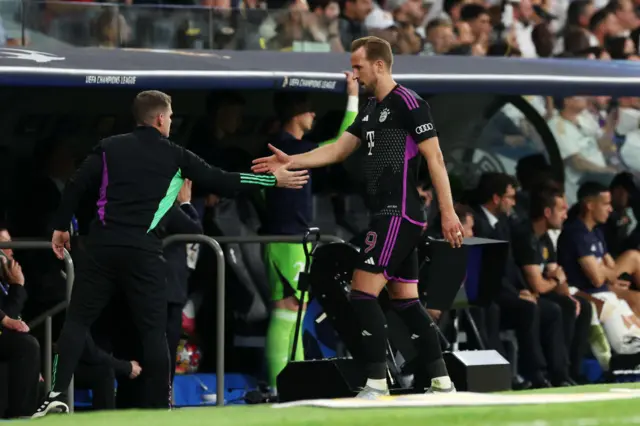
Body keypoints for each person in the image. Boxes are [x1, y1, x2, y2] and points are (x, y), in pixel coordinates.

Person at [34, 90, 309, 418]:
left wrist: (61, 226)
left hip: (101, 250)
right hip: (143, 254)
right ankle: (161, 407)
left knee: (77, 322)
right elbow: (223, 181)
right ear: (162, 119)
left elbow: (77, 183)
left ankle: (55, 396)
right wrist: (269, 180)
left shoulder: (109, 147)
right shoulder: (175, 155)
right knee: (154, 335)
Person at [252, 36, 464, 399]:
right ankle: (442, 380)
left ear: (379, 65)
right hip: (386, 216)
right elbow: (337, 150)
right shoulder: (369, 109)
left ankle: (377, 383)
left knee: (363, 295)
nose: (355, 73)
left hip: (398, 215)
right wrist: (291, 160)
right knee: (406, 301)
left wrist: (448, 213)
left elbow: (436, 160)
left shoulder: (409, 103)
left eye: (359, 67)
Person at [263, 72, 360, 391]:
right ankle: (283, 386)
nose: (314, 115)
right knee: (290, 309)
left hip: (282, 238)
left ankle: (294, 382)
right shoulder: (290, 149)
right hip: (287, 239)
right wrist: (353, 97)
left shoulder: (284, 147)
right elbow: (341, 143)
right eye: (309, 110)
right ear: (296, 115)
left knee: (291, 309)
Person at [512, 186, 591, 384]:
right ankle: (550, 372)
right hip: (519, 295)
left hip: (539, 294)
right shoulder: (525, 235)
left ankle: (570, 370)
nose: (566, 214)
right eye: (562, 209)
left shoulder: (546, 239)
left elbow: (561, 288)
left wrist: (557, 281)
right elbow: (538, 285)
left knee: (577, 305)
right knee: (555, 309)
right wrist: (556, 279)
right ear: (547, 212)